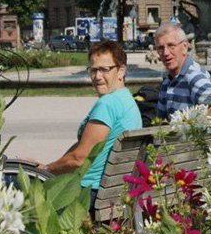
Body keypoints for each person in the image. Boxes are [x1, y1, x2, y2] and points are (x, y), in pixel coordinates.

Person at [39, 40, 142, 209]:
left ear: (121, 71)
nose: (97, 76)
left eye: (104, 69)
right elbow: (80, 148)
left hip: (88, 193)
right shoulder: (127, 100)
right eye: (93, 70)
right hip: (110, 191)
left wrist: (45, 169)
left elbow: (79, 158)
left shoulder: (108, 104)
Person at [154, 22, 211, 119]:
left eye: (171, 46)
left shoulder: (195, 77)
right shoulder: (167, 82)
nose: (166, 53)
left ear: (185, 47)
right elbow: (159, 122)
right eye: (161, 48)